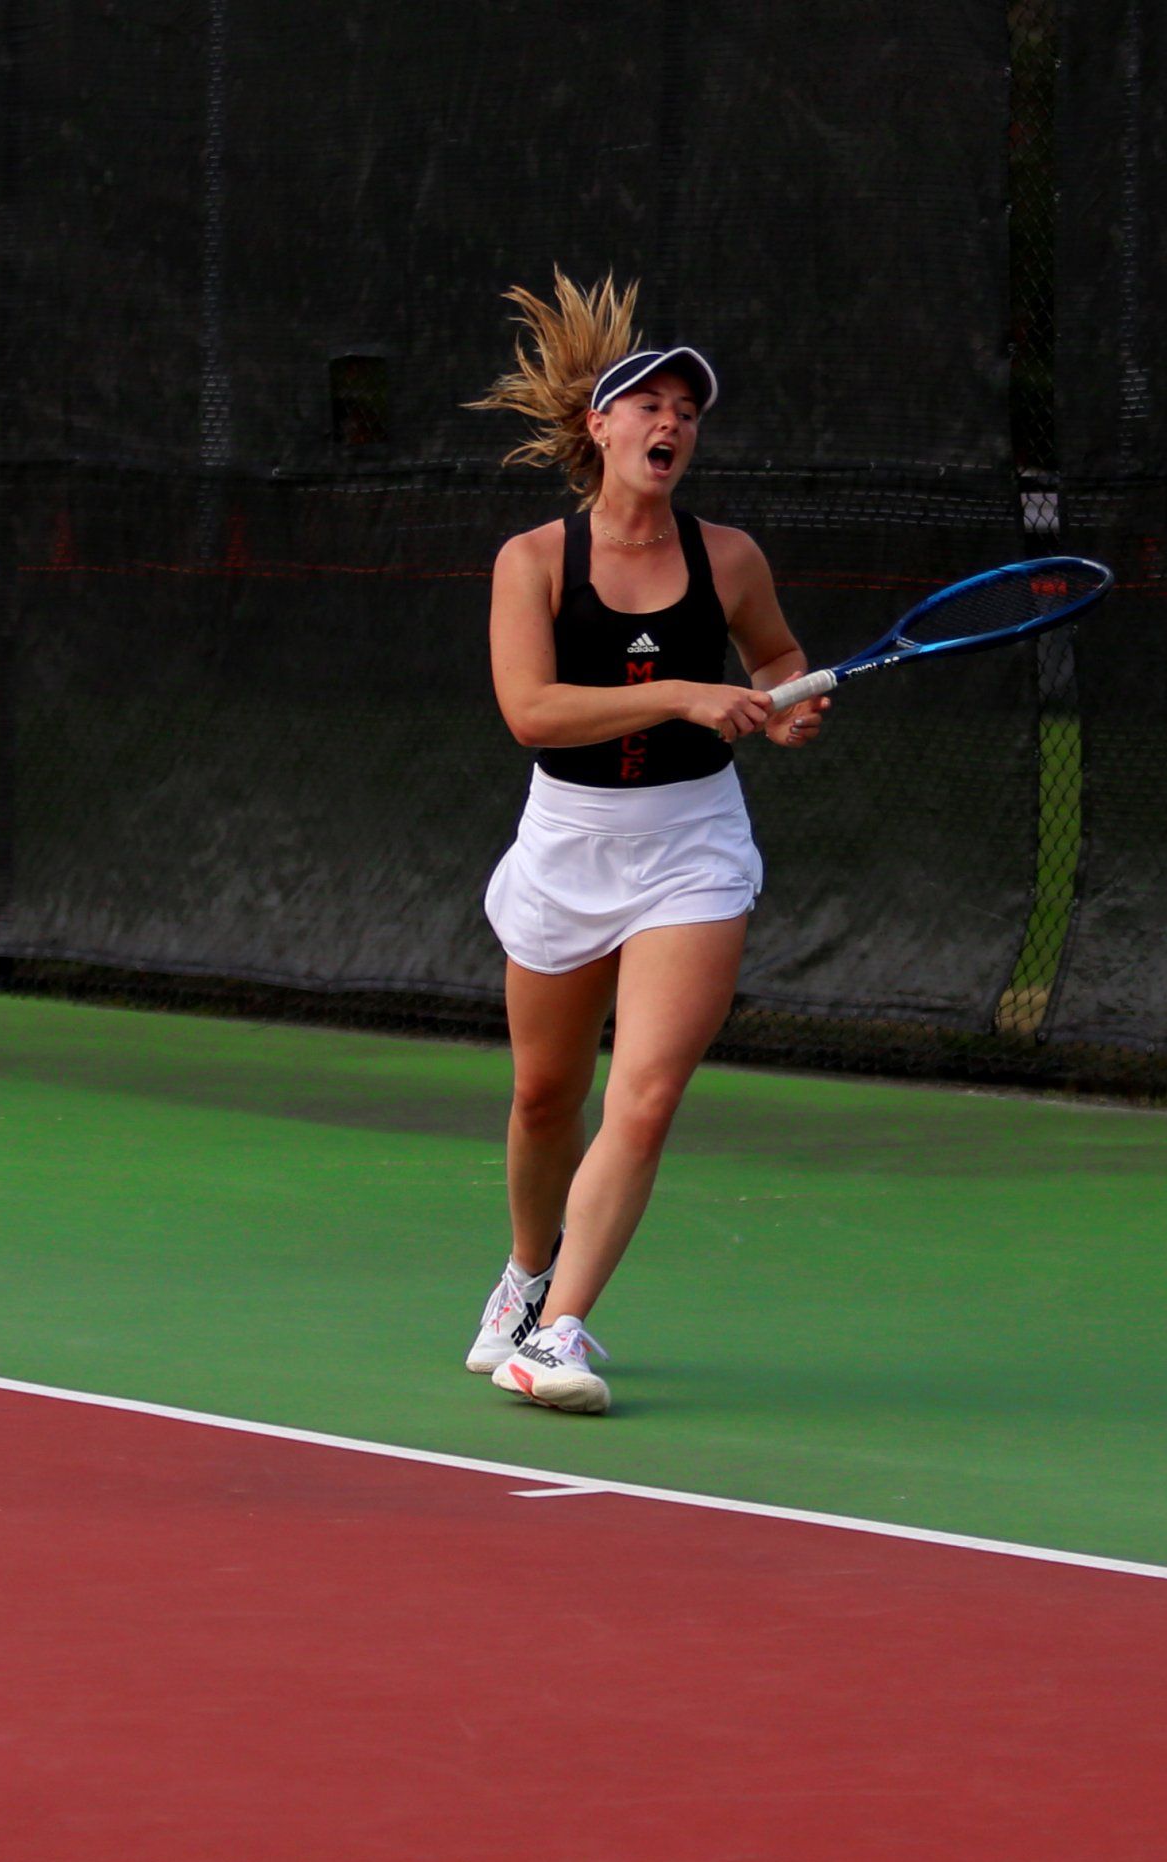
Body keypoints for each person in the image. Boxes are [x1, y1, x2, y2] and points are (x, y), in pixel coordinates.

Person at [462, 270, 827, 1415]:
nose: (671, 423)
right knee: (543, 1096)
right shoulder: (532, 563)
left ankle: (561, 1329)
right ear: (599, 425)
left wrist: (789, 701)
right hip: (568, 841)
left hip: (692, 847)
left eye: (688, 409)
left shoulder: (728, 559)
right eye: (649, 404)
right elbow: (532, 712)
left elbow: (773, 660)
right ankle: (524, 1279)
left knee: (649, 1093)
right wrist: (680, 693)